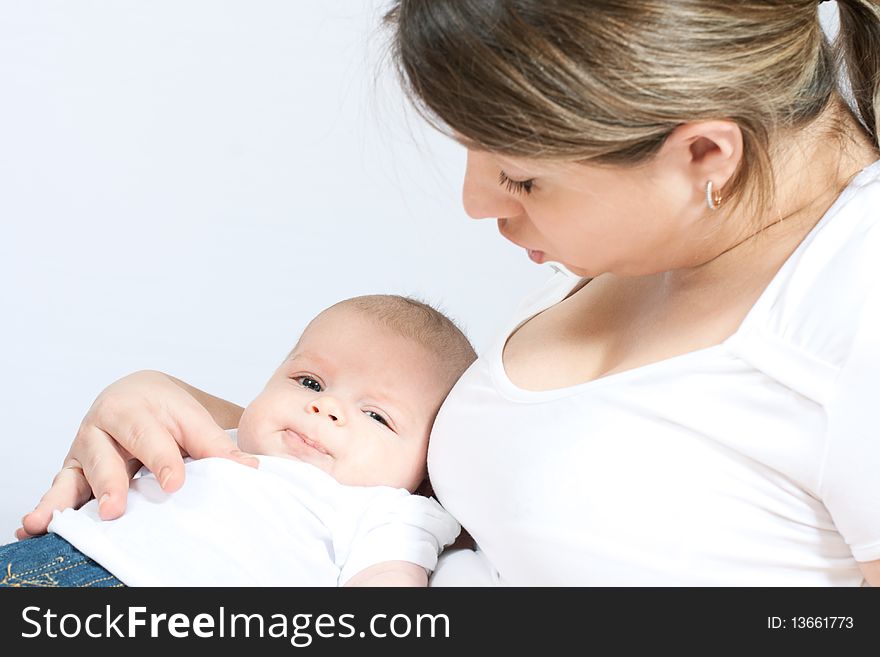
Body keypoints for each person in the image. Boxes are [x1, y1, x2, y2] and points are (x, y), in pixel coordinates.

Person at [16, 0, 880, 585]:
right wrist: (173, 417)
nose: (475, 205)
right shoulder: (685, 234)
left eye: (522, 179)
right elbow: (521, 505)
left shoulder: (852, 304)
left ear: (704, 155)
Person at [2, 295, 472, 586]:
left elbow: (387, 581)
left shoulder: (389, 511)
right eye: (310, 382)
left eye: (376, 415)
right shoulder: (219, 442)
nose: (326, 408)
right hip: (49, 554)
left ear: (425, 474)